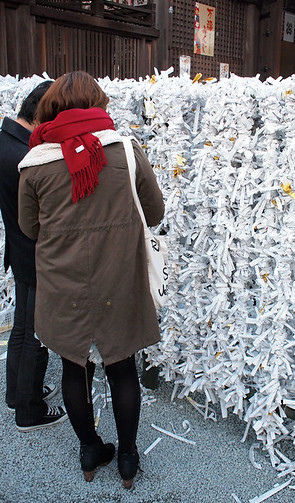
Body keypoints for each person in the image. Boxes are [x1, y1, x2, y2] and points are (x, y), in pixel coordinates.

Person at [17, 71, 164, 489]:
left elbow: (30, 229)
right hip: (119, 277)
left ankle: (89, 450)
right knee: (122, 369)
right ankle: (129, 459)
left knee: (73, 368)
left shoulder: (35, 164)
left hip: (62, 282)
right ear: (98, 105)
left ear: (52, 108)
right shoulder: (127, 152)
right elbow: (153, 213)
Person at [1, 80, 68, 431]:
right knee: (35, 333)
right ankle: (29, 410)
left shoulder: (7, 140)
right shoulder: (23, 156)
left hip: (19, 250)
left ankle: (17, 394)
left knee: (22, 327)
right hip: (34, 253)